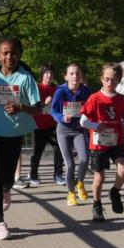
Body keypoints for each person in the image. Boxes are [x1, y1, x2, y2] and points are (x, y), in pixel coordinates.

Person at [0, 37, 41, 240]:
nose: (9, 57)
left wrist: (21, 107)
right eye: (5, 53)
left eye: (13, 53)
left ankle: (7, 189)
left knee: (7, 179)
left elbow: (39, 109)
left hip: (16, 132)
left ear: (19, 54)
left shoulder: (25, 78)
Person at [81, 63, 124, 222]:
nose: (110, 83)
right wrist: (96, 126)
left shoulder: (122, 99)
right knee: (99, 178)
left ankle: (115, 191)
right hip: (99, 144)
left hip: (116, 141)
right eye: (107, 79)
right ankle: (97, 204)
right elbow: (83, 121)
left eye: (114, 80)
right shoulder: (94, 98)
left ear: (118, 81)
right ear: (102, 79)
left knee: (123, 168)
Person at [51, 63, 92, 207]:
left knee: (84, 159)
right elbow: (54, 111)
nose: (75, 76)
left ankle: (80, 182)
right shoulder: (60, 92)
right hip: (63, 130)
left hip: (79, 130)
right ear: (66, 76)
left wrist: (86, 117)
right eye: (72, 73)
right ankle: (71, 193)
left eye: (78, 74)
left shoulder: (86, 91)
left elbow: (90, 109)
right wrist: (62, 118)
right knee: (70, 164)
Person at [22, 64, 65, 187]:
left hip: (54, 124)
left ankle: (58, 174)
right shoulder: (36, 87)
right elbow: (30, 103)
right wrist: (43, 103)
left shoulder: (58, 89)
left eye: (51, 73)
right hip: (38, 125)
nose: (49, 75)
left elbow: (62, 105)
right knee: (37, 152)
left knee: (59, 148)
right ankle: (33, 174)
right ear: (42, 75)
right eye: (46, 73)